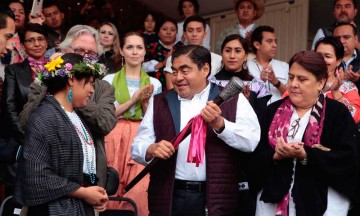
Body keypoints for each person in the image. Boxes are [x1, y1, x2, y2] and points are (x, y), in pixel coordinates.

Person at [131, 45, 261, 215]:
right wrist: (151, 149)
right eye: (175, 71)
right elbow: (137, 146)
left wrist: (220, 124)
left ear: (205, 69)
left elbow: (251, 141)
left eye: (185, 71)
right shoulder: (160, 101)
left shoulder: (234, 100)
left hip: (215, 198)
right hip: (170, 196)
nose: (178, 78)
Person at [252, 51, 358, 216]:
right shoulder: (272, 111)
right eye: (291, 77)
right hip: (272, 202)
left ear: (320, 82)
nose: (293, 84)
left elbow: (349, 160)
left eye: (302, 79)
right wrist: (275, 155)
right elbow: (253, 156)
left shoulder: (337, 113)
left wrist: (307, 154)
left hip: (324, 202)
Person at [19, 24, 117, 193]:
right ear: (64, 51)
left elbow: (106, 123)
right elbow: (25, 122)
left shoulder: (102, 88)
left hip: (90, 182)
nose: (85, 58)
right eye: (79, 51)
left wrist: (76, 93)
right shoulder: (44, 82)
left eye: (91, 53)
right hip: (51, 179)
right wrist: (52, 79)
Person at [14, 53, 109, 216]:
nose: (92, 90)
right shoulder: (44, 117)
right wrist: (83, 192)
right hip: (52, 209)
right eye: (90, 83)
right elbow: (36, 176)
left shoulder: (76, 116)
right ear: (71, 80)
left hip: (79, 205)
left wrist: (92, 194)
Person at [102, 32, 161, 215]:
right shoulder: (109, 80)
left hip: (142, 135)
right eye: (129, 47)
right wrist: (133, 100)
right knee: (110, 183)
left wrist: (144, 103)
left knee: (139, 187)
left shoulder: (154, 83)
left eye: (139, 47)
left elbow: (153, 118)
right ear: (121, 51)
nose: (134, 52)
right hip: (113, 134)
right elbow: (105, 114)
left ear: (144, 53)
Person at [210, 34, 271, 122]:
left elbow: (262, 120)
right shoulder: (210, 82)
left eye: (238, 51)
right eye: (228, 51)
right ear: (222, 54)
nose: (232, 56)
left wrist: (248, 102)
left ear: (246, 56)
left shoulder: (257, 85)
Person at [164, 16, 222, 89]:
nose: (194, 34)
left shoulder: (217, 59)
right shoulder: (173, 59)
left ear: (205, 34)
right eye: (190, 30)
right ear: (185, 34)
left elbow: (218, 88)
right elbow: (171, 89)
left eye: (198, 30)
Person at [315, 36, 360, 124]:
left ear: (338, 61)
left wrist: (336, 92)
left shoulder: (347, 87)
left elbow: (355, 118)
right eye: (318, 56)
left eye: (328, 56)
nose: (322, 60)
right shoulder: (304, 81)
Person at [247, 25, 288, 105]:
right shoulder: (246, 67)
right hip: (255, 115)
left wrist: (276, 82)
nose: (275, 45)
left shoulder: (284, 66)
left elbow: (293, 95)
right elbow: (243, 95)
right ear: (257, 45)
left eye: (275, 41)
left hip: (279, 115)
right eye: (269, 41)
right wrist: (260, 81)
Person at [143, 18, 183, 90]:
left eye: (172, 30)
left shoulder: (183, 49)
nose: (168, 32)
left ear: (176, 33)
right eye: (164, 29)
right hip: (153, 89)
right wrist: (163, 63)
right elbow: (141, 68)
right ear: (158, 32)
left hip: (178, 89)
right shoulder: (150, 48)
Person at [333, 22, 360, 90]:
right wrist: (343, 79)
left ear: (356, 39)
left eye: (346, 37)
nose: (341, 41)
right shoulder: (326, 60)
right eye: (337, 38)